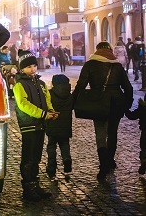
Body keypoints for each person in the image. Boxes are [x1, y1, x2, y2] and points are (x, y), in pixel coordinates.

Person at [74, 41, 133, 181]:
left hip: (98, 102)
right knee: (112, 133)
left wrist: (72, 102)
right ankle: (109, 161)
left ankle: (103, 165)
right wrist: (127, 105)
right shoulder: (117, 66)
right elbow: (128, 88)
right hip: (116, 103)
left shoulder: (90, 64)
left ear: (97, 51)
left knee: (100, 134)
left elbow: (80, 85)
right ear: (110, 51)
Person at [12, 50, 58, 201]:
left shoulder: (41, 83)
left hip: (40, 124)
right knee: (28, 157)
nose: (32, 69)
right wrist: (42, 114)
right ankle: (28, 188)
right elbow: (23, 104)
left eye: (34, 66)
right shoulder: (19, 85)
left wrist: (50, 111)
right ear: (22, 68)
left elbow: (47, 99)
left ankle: (35, 184)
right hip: (29, 124)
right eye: (29, 67)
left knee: (37, 157)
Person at [45, 74, 73, 181]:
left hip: (52, 124)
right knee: (64, 144)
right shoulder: (69, 96)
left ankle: (51, 168)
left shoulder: (50, 94)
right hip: (65, 126)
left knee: (51, 146)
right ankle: (66, 159)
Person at [125, 93, 146, 175]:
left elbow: (132, 116)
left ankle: (144, 161)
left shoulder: (143, 108)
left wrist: (125, 109)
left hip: (144, 132)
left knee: (144, 149)